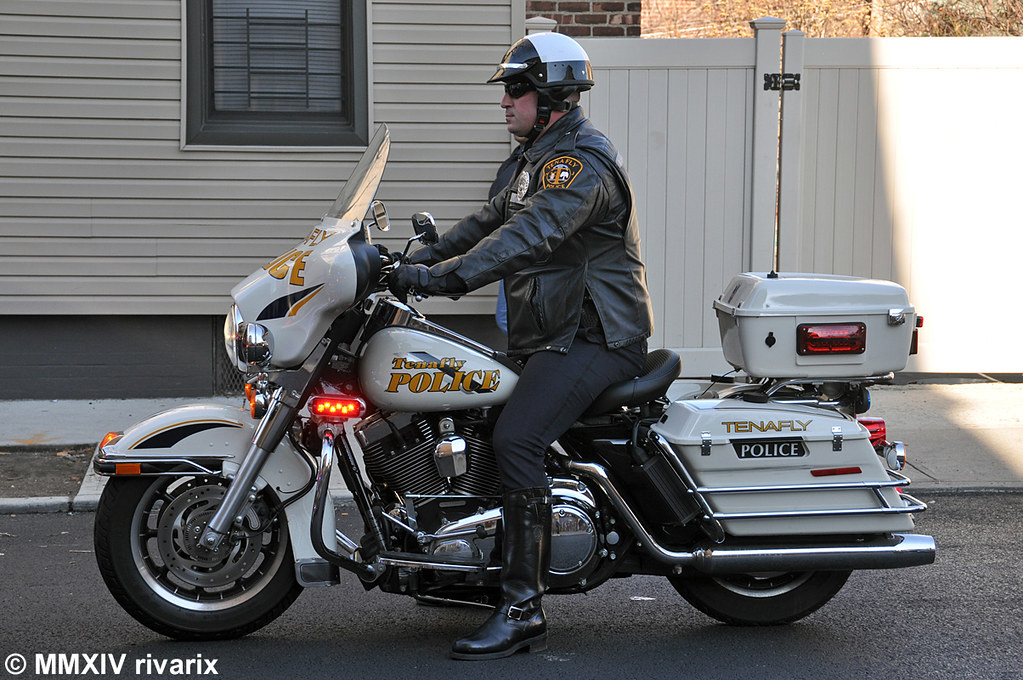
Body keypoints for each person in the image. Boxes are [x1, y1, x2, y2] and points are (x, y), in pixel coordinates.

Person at [389, 32, 654, 660]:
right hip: (552, 336)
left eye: (515, 89)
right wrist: (406, 262)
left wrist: (436, 280)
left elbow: (527, 237)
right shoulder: (529, 160)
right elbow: (488, 224)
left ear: (552, 97)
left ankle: (522, 607)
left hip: (595, 337)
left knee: (517, 439)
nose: (504, 101)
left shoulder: (578, 165)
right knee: (479, 421)